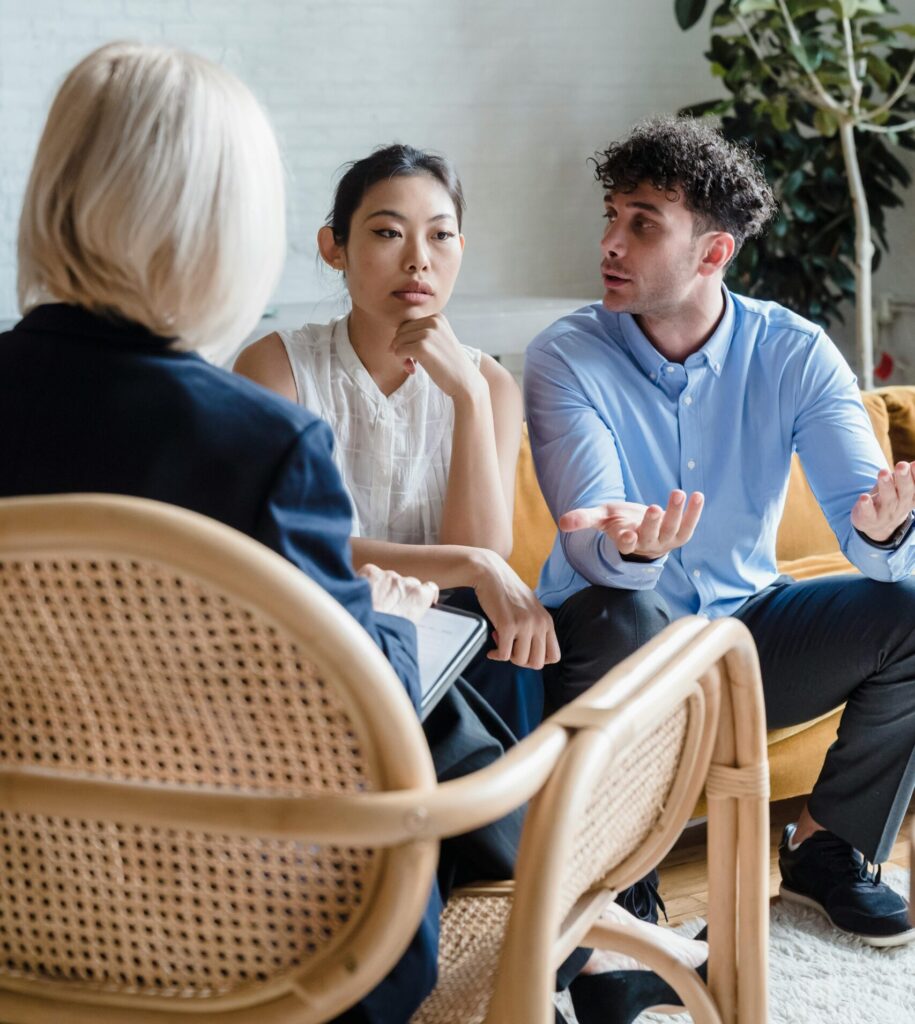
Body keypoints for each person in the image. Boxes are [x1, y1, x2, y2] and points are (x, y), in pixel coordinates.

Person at [0, 41, 510, 1024]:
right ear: (223, 228)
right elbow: (349, 725)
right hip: (265, 933)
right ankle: (572, 938)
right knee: (448, 717)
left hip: (30, 902)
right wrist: (394, 623)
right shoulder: (261, 444)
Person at [525, 115, 915, 969]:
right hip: (609, 644)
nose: (609, 242)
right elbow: (591, 534)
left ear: (712, 253)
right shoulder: (565, 356)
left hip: (745, 634)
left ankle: (824, 851)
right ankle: (623, 886)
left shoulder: (794, 353)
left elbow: (869, 526)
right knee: (624, 602)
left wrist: (887, 530)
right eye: (611, 215)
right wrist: (631, 550)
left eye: (641, 223)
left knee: (911, 605)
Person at [234, 143, 558, 737]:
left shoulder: (489, 384)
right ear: (335, 248)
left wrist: (469, 397)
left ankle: (509, 826)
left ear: (460, 249)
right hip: (322, 623)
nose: (418, 261)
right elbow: (285, 549)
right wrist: (471, 566)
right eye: (388, 233)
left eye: (440, 236)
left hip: (448, 628)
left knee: (507, 648)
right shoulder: (276, 367)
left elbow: (482, 552)